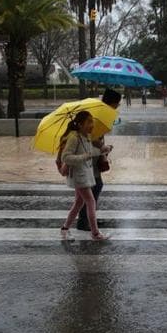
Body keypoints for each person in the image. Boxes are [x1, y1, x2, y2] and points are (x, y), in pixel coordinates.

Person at [60, 111, 112, 241]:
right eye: (89, 121)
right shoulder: (74, 138)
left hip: (85, 174)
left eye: (91, 121)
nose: (91, 124)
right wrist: (85, 157)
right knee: (90, 201)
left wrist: (102, 151)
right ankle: (95, 233)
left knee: (78, 203)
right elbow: (65, 157)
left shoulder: (86, 137)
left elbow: (90, 152)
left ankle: (65, 229)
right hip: (79, 175)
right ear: (80, 124)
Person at [76, 88, 121, 231]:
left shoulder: (101, 112)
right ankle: (84, 221)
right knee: (94, 187)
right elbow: (91, 137)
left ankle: (89, 218)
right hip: (89, 158)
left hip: (93, 157)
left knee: (93, 188)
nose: (118, 106)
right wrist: (102, 146)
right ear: (112, 102)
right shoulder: (98, 114)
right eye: (117, 103)